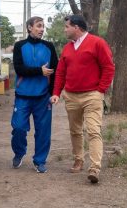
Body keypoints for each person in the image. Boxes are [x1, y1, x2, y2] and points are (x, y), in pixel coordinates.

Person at [50, 15, 115, 183]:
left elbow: (108, 67)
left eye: (67, 27)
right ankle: (79, 159)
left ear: (77, 27)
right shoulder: (67, 48)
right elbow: (60, 72)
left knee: (94, 131)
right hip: (71, 96)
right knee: (75, 130)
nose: (65, 29)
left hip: (91, 95)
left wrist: (100, 90)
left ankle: (94, 168)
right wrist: (56, 92)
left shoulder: (97, 43)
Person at [11, 16, 58, 173]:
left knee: (43, 131)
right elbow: (19, 69)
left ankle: (39, 161)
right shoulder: (19, 46)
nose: (42, 29)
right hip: (23, 96)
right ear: (29, 28)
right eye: (38, 26)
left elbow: (56, 72)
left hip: (43, 97)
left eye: (43, 26)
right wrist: (40, 71)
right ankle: (19, 152)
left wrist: (54, 93)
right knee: (18, 128)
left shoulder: (49, 47)